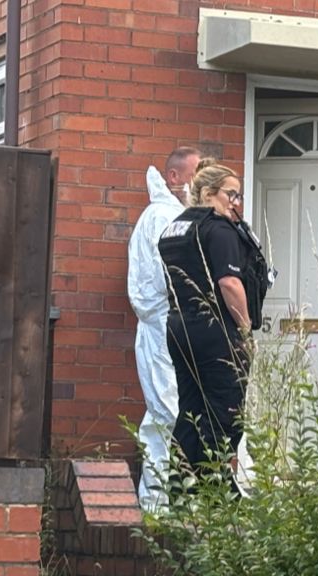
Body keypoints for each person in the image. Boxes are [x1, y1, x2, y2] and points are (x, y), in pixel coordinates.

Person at [158, 159, 271, 482]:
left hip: (180, 327)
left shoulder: (175, 228)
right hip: (217, 330)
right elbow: (229, 283)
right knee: (225, 413)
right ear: (209, 193)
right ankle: (216, 493)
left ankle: (181, 489)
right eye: (231, 194)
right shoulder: (219, 229)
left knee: (190, 411)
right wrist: (246, 329)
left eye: (239, 196)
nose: (236, 203)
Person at [128, 146, 201, 511]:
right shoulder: (162, 218)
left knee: (163, 415)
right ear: (174, 177)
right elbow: (167, 278)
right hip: (164, 330)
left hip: (170, 329)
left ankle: (158, 500)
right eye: (195, 171)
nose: (199, 180)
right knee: (169, 414)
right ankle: (161, 503)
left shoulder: (174, 215)